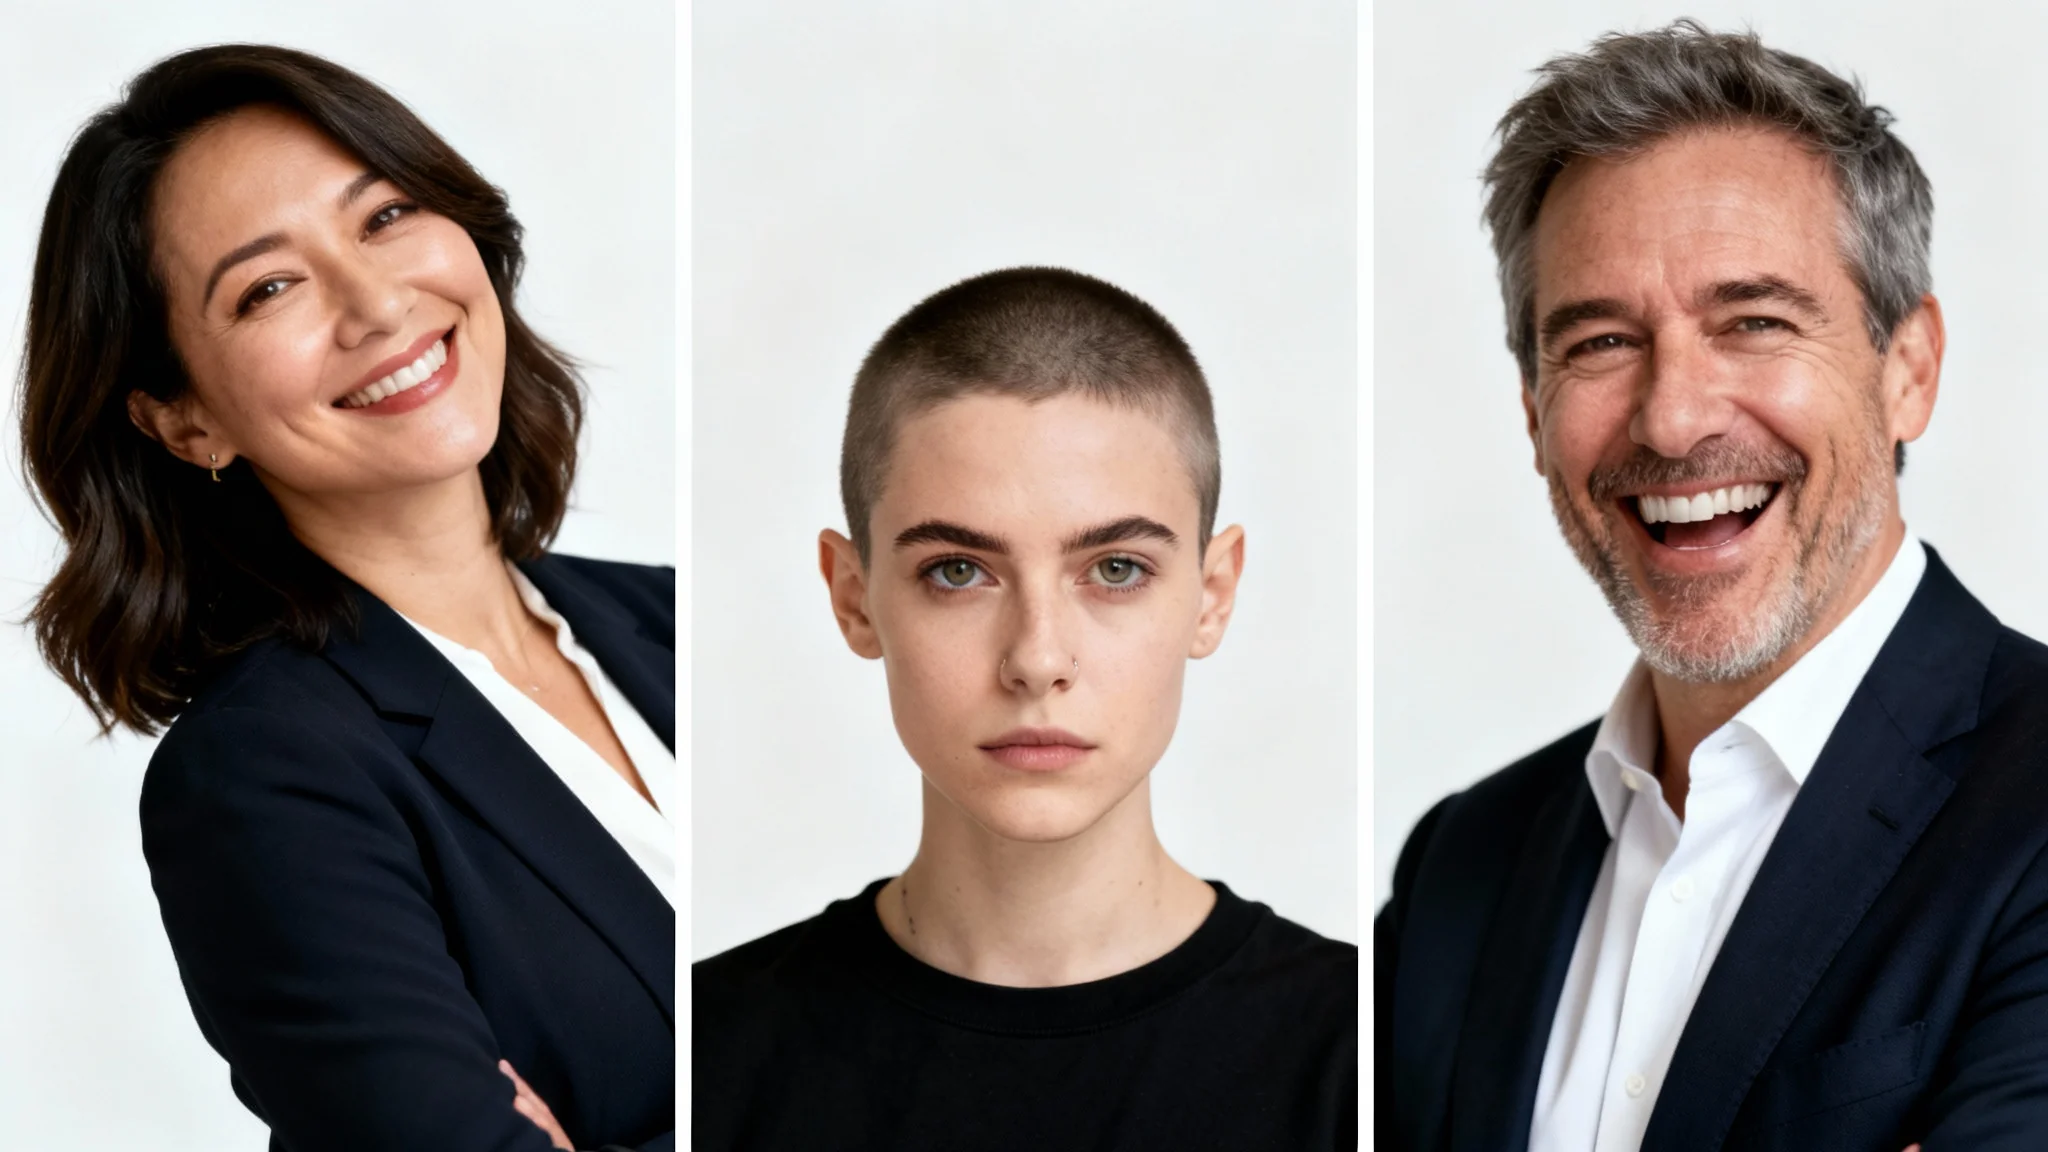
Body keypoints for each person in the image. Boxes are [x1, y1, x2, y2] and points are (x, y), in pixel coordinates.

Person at [1376, 20, 2048, 1151]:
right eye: (1596, 343)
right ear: (1533, 412)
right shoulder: (1462, 867)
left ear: (1906, 372)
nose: (1673, 416)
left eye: (1752, 322)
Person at [17, 46, 673, 1152]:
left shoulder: (671, 623)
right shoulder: (263, 774)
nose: (376, 303)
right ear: (185, 421)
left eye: (384, 216)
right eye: (268, 287)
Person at [692, 267, 1356, 1149]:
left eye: (1116, 569)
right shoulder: (702, 1057)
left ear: (1212, 594)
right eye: (957, 571)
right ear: (854, 597)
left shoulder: (1369, 1055)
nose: (1037, 659)